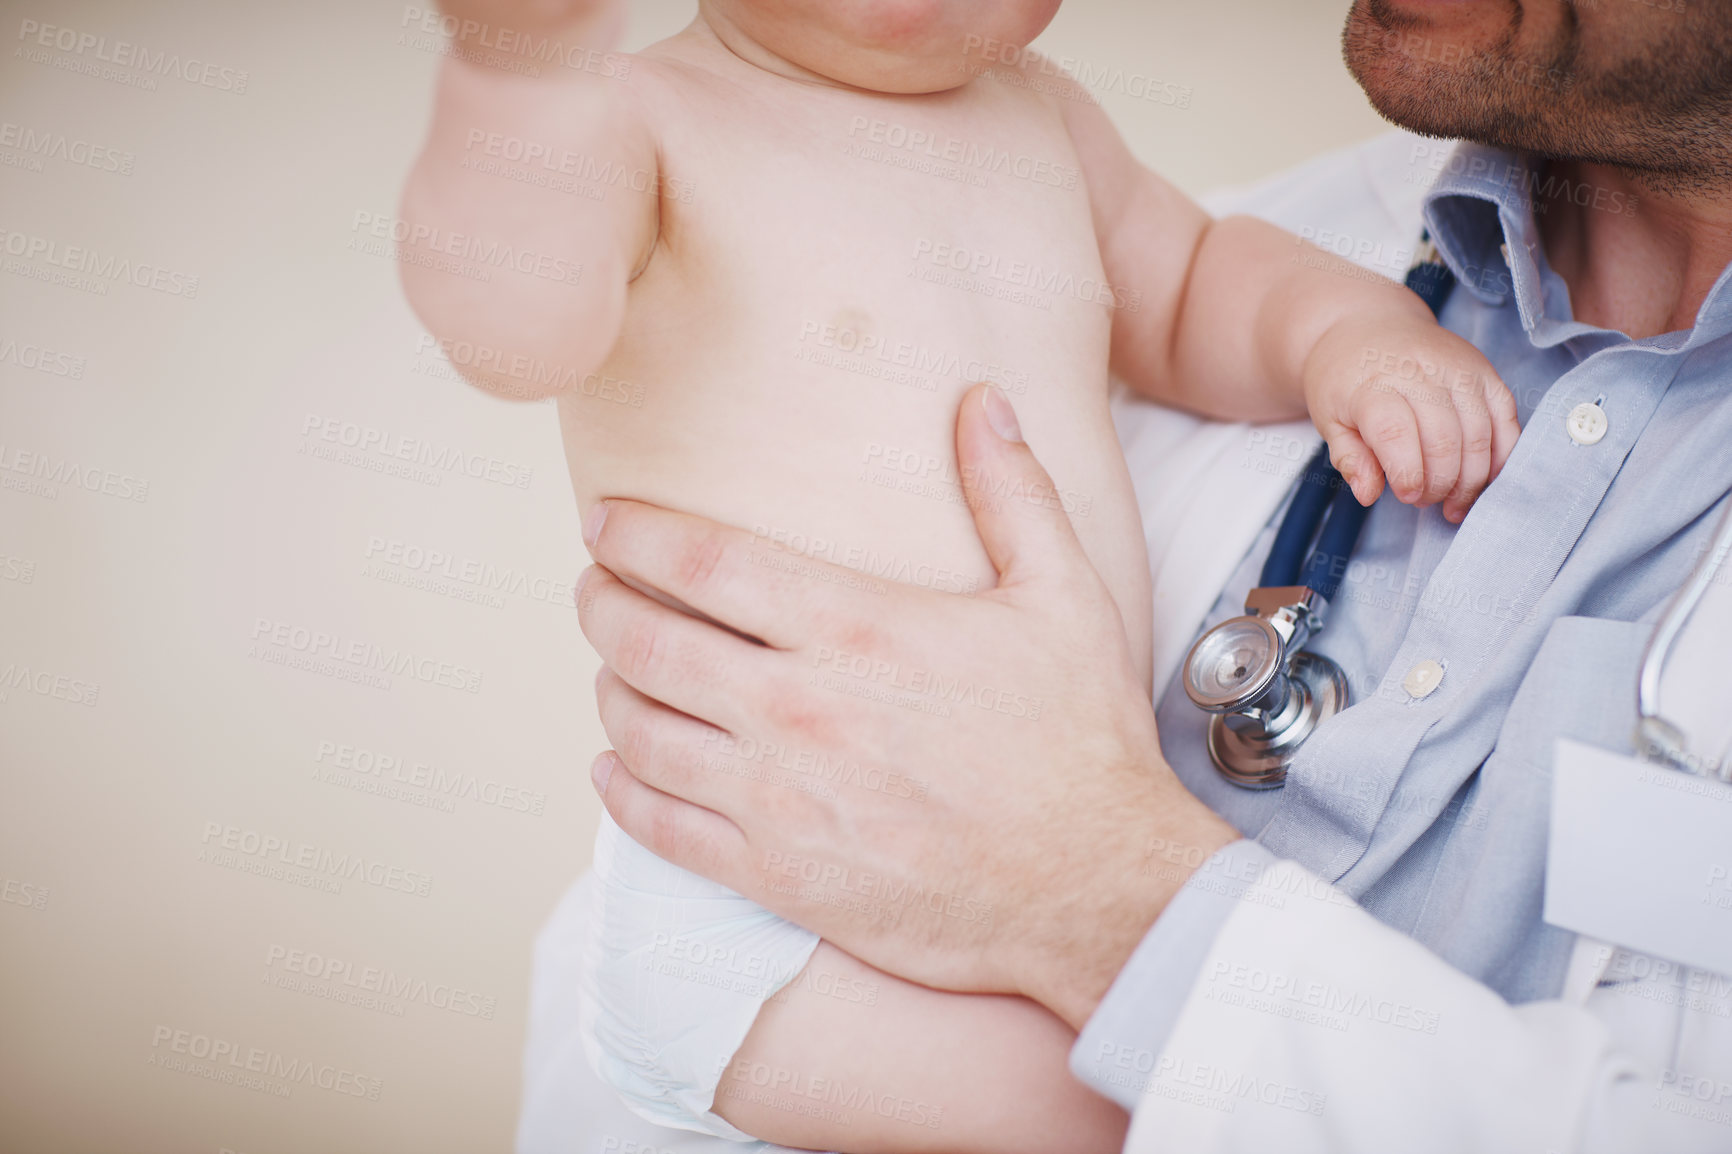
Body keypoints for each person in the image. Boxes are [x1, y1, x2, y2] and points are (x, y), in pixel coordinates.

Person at [570, 0, 1732, 1149]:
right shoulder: (635, 119)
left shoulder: (1043, 126)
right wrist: (502, 82)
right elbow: (506, 311)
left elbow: (1188, 286)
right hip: (751, 923)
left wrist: (1338, 337)